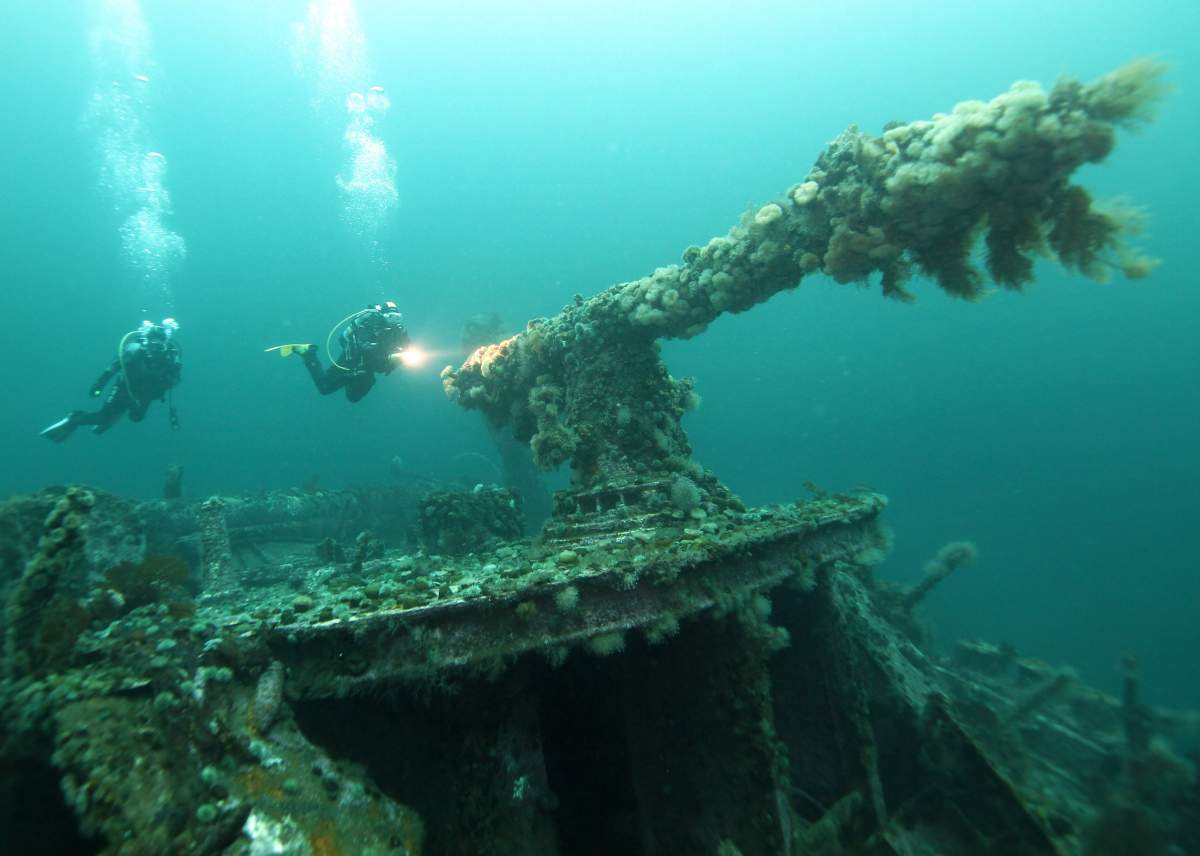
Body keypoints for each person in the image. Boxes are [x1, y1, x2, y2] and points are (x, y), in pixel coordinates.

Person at [41, 319, 182, 442]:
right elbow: (112, 369)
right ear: (146, 343)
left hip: (146, 394)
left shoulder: (170, 359)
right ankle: (74, 419)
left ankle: (118, 412)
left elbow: (174, 381)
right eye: (152, 345)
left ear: (165, 345)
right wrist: (99, 386)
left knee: (136, 418)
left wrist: (166, 381)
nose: (155, 350)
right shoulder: (134, 352)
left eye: (159, 346)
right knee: (103, 417)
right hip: (124, 388)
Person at [276, 301, 411, 403]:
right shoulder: (369, 321)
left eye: (397, 317)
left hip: (368, 367)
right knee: (324, 387)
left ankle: (351, 379)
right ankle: (307, 353)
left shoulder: (398, 329)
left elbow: (408, 347)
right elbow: (366, 346)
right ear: (383, 315)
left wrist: (402, 356)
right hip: (351, 360)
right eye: (391, 317)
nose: (394, 321)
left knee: (353, 397)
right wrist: (389, 356)